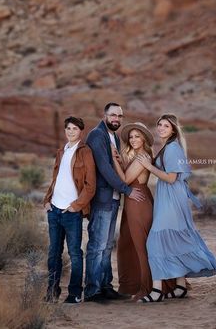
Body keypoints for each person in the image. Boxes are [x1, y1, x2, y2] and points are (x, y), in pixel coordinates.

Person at [136, 113, 216, 303]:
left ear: (173, 129)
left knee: (155, 242)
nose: (161, 128)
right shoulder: (168, 146)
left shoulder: (172, 148)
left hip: (172, 200)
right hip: (169, 198)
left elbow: (171, 178)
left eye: (166, 126)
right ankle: (181, 286)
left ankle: (156, 291)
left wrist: (149, 167)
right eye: (159, 125)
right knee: (174, 240)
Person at [84, 102, 146, 303]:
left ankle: (105, 286)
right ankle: (93, 291)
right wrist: (127, 189)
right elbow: (104, 167)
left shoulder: (115, 137)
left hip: (112, 199)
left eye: (119, 116)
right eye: (113, 115)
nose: (116, 119)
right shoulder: (97, 135)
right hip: (102, 198)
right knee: (97, 245)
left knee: (108, 245)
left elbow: (116, 165)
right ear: (104, 115)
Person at [43, 116, 96, 304]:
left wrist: (76, 206)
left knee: (74, 253)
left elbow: (91, 185)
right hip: (54, 210)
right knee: (53, 253)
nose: (71, 131)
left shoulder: (85, 152)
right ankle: (52, 291)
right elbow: (55, 179)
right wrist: (47, 200)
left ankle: (74, 293)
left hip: (71, 213)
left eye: (74, 128)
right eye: (68, 128)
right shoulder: (61, 151)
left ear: (81, 131)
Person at [112, 122, 155, 301]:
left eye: (138, 136)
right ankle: (130, 285)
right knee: (125, 244)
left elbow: (126, 180)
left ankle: (147, 287)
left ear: (144, 138)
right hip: (130, 202)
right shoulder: (134, 156)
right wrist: (121, 160)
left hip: (139, 202)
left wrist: (113, 160)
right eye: (131, 136)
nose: (134, 139)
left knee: (140, 246)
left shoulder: (142, 156)